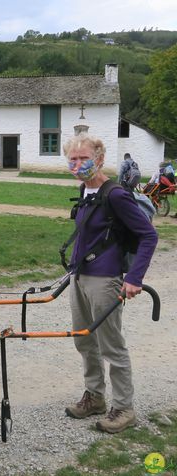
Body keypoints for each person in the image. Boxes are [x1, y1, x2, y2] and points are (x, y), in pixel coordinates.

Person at [63, 134, 157, 434]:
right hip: (80, 277)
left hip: (106, 280)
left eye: (84, 158)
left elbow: (148, 236)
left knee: (111, 346)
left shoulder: (114, 194)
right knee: (84, 340)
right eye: (73, 159)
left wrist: (134, 278)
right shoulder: (86, 190)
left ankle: (124, 408)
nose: (78, 164)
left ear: (100, 158)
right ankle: (95, 397)